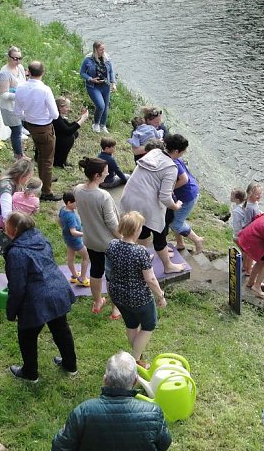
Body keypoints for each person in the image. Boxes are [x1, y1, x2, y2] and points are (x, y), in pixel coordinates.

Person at [4, 212, 77, 381]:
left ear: (14, 229)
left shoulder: (16, 253)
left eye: (6, 225)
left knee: (27, 336)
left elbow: (17, 287)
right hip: (58, 290)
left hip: (36, 299)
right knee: (61, 329)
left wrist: (11, 311)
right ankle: (70, 365)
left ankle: (30, 373)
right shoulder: (40, 237)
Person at [51, 351, 171, 451]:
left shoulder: (83, 412)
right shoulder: (154, 412)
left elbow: (59, 447)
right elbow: (164, 443)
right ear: (135, 381)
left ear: (105, 380)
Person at [105, 211, 167, 368]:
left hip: (117, 294)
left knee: (131, 324)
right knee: (148, 326)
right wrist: (161, 296)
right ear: (136, 230)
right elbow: (150, 279)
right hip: (138, 297)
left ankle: (136, 358)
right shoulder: (140, 251)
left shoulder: (112, 244)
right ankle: (134, 362)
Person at [119, 140, 187, 275]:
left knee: (141, 229)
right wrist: (175, 206)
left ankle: (142, 258)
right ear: (177, 152)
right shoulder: (171, 168)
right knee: (159, 234)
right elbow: (165, 197)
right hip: (146, 203)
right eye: (184, 151)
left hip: (130, 196)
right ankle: (168, 266)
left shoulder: (154, 152)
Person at [73, 157, 121, 319]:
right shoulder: (103, 196)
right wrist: (122, 238)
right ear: (97, 175)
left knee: (95, 271)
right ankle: (115, 309)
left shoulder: (78, 189)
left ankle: (97, 302)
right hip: (108, 243)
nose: (108, 173)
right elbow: (112, 223)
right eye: (105, 171)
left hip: (90, 239)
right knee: (112, 275)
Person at [14, 61, 57, 201]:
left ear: (28, 72)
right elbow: (55, 114)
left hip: (30, 125)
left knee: (40, 155)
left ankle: (44, 179)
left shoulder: (20, 88)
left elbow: (17, 111)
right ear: (42, 73)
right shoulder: (45, 90)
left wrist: (27, 118)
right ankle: (46, 192)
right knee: (47, 160)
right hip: (44, 127)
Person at [0, 158, 34, 252]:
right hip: (8, 227)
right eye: (28, 177)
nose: (29, 180)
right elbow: (6, 216)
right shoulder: (6, 189)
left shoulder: (12, 180)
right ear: (22, 175)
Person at [164, 134, 205, 253]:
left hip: (187, 195)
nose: (184, 153)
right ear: (176, 151)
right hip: (187, 192)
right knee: (176, 218)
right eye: (183, 151)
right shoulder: (173, 158)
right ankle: (180, 243)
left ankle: (197, 240)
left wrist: (170, 189)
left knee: (175, 224)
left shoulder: (173, 160)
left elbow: (184, 179)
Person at [79, 40, 117, 133]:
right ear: (95, 50)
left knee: (106, 106)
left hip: (105, 86)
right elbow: (82, 73)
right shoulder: (88, 59)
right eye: (101, 49)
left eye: (104, 48)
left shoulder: (107, 58)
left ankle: (103, 125)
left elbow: (111, 71)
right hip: (93, 86)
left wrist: (113, 83)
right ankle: (95, 124)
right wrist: (90, 79)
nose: (103, 51)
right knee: (101, 106)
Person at [0, 46, 26, 158]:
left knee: (20, 128)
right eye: (15, 58)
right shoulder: (4, 74)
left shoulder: (21, 68)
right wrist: (19, 95)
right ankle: (18, 155)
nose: (17, 61)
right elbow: (3, 95)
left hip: (20, 105)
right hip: (10, 107)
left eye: (20, 58)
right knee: (16, 131)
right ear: (8, 57)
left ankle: (20, 152)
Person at [59, 191, 89, 286]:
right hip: (75, 241)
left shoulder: (63, 209)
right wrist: (85, 234)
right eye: (76, 202)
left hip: (67, 238)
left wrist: (63, 229)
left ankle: (74, 275)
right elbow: (73, 232)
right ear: (69, 203)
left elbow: (59, 221)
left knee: (70, 258)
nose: (78, 204)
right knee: (86, 257)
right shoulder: (71, 216)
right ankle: (82, 278)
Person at [53, 97, 88, 168]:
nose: (69, 109)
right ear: (60, 107)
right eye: (67, 107)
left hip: (56, 137)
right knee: (69, 138)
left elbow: (68, 126)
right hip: (53, 140)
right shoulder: (56, 117)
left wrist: (80, 118)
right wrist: (82, 120)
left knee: (75, 133)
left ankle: (62, 159)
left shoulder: (58, 116)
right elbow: (68, 131)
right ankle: (59, 162)